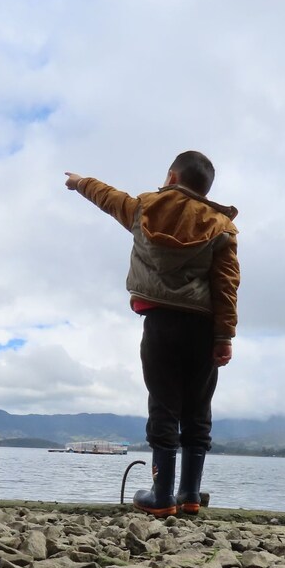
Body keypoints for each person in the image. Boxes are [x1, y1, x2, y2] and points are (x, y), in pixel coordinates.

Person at [64, 150, 240, 516]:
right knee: (198, 408)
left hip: (160, 324)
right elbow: (226, 285)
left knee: (163, 405)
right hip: (203, 327)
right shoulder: (221, 226)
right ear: (206, 189)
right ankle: (189, 495)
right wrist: (224, 337)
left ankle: (162, 497)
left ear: (172, 178)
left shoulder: (144, 208)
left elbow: (108, 198)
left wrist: (80, 182)